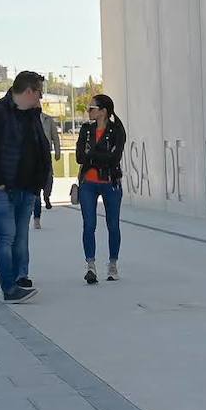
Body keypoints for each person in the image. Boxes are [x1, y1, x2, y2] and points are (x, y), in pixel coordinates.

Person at [0, 70, 51, 303]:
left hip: (27, 188)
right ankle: (9, 288)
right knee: (5, 237)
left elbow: (41, 149)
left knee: (20, 237)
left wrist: (40, 183)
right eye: (39, 93)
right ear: (28, 91)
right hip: (1, 190)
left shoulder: (32, 115)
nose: (40, 98)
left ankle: (20, 278)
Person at [75, 94, 127, 285]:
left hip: (110, 182)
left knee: (113, 225)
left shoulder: (116, 130)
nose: (88, 111)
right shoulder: (86, 130)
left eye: (92, 108)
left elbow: (115, 158)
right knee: (89, 225)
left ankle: (113, 265)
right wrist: (99, 156)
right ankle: (90, 266)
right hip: (88, 183)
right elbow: (80, 157)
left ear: (103, 111)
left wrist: (92, 155)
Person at [33, 111, 62, 229]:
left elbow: (55, 136)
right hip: (33, 155)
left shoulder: (48, 120)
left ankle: (47, 196)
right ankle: (37, 217)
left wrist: (58, 151)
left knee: (48, 179)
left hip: (46, 155)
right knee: (35, 189)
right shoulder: (27, 119)